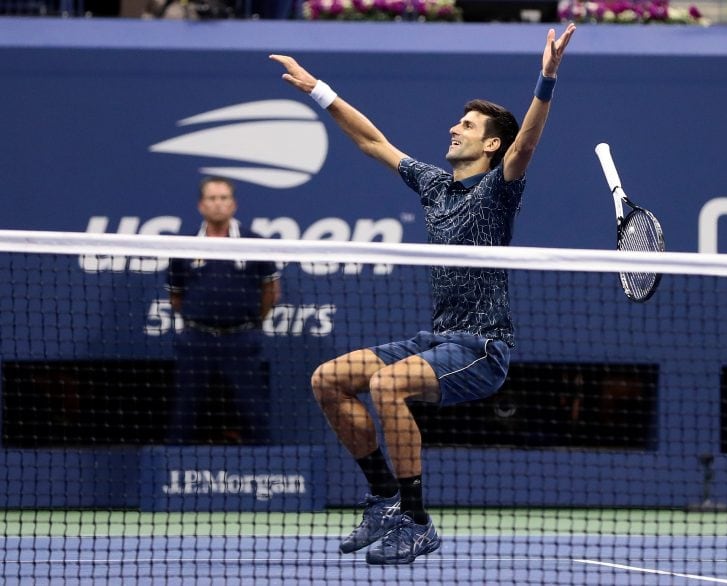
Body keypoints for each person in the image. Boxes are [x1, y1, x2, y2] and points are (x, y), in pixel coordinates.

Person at [270, 23, 576, 565]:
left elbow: (527, 140)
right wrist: (319, 89)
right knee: (329, 381)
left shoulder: (499, 188)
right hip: (436, 339)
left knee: (387, 385)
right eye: (459, 120)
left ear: (491, 144)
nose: (455, 128)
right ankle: (384, 496)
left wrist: (546, 76)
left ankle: (416, 521)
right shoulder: (435, 185)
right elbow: (372, 141)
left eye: (468, 125)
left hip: (483, 348)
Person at [166, 176, 281, 445]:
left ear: (234, 204)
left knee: (253, 409)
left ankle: (265, 470)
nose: (218, 204)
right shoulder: (185, 246)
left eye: (223, 198)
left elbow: (270, 291)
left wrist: (250, 323)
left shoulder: (254, 242)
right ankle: (172, 470)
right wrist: (200, 320)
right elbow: (175, 295)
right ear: (201, 206)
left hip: (241, 339)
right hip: (196, 340)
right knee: (184, 410)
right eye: (212, 198)